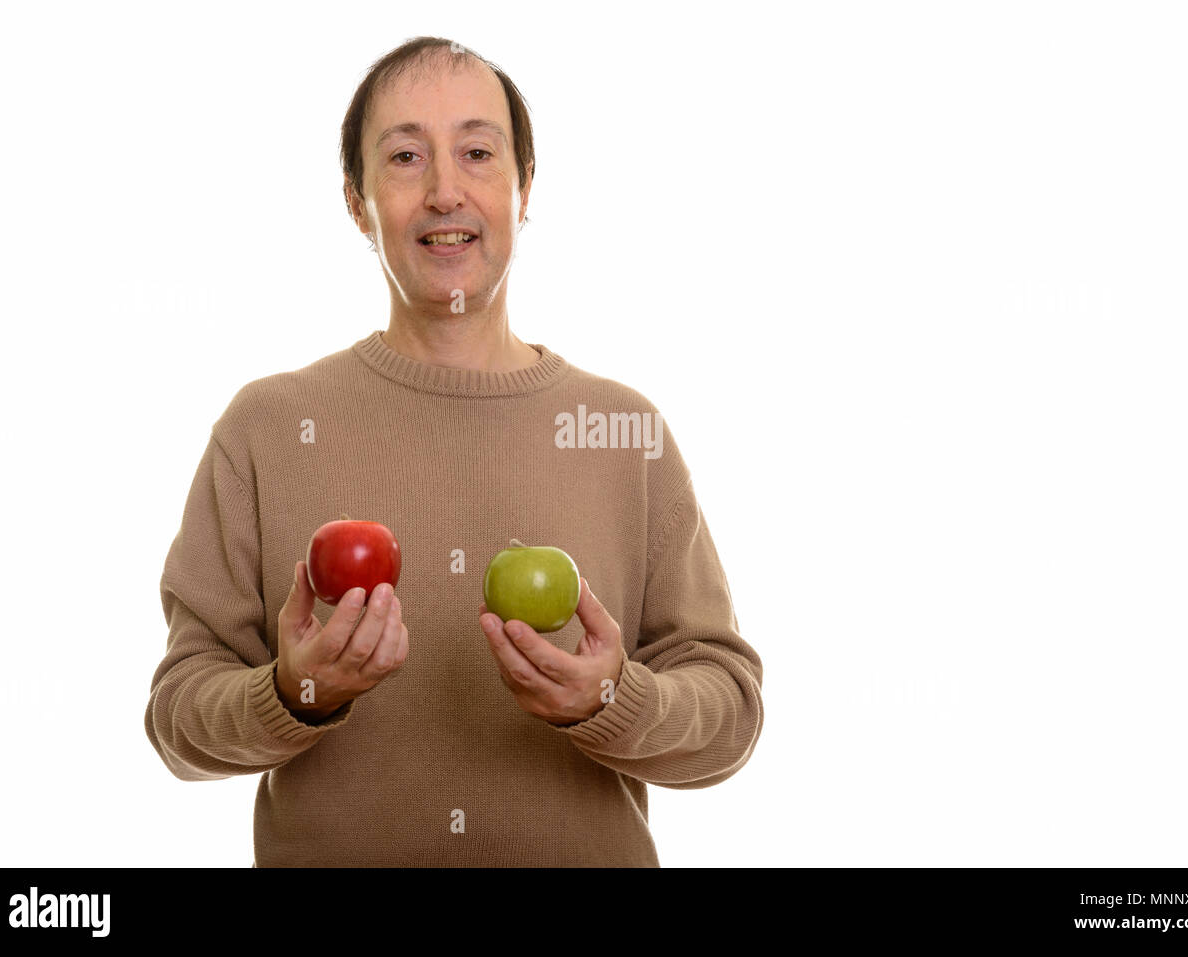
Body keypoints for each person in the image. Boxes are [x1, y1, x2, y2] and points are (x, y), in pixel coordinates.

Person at [145, 36, 764, 867]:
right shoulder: (266, 426)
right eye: (404, 157)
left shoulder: (624, 431)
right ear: (358, 202)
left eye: (477, 152)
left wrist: (612, 697)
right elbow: (179, 718)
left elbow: (729, 715)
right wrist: (294, 692)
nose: (445, 191)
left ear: (523, 187)